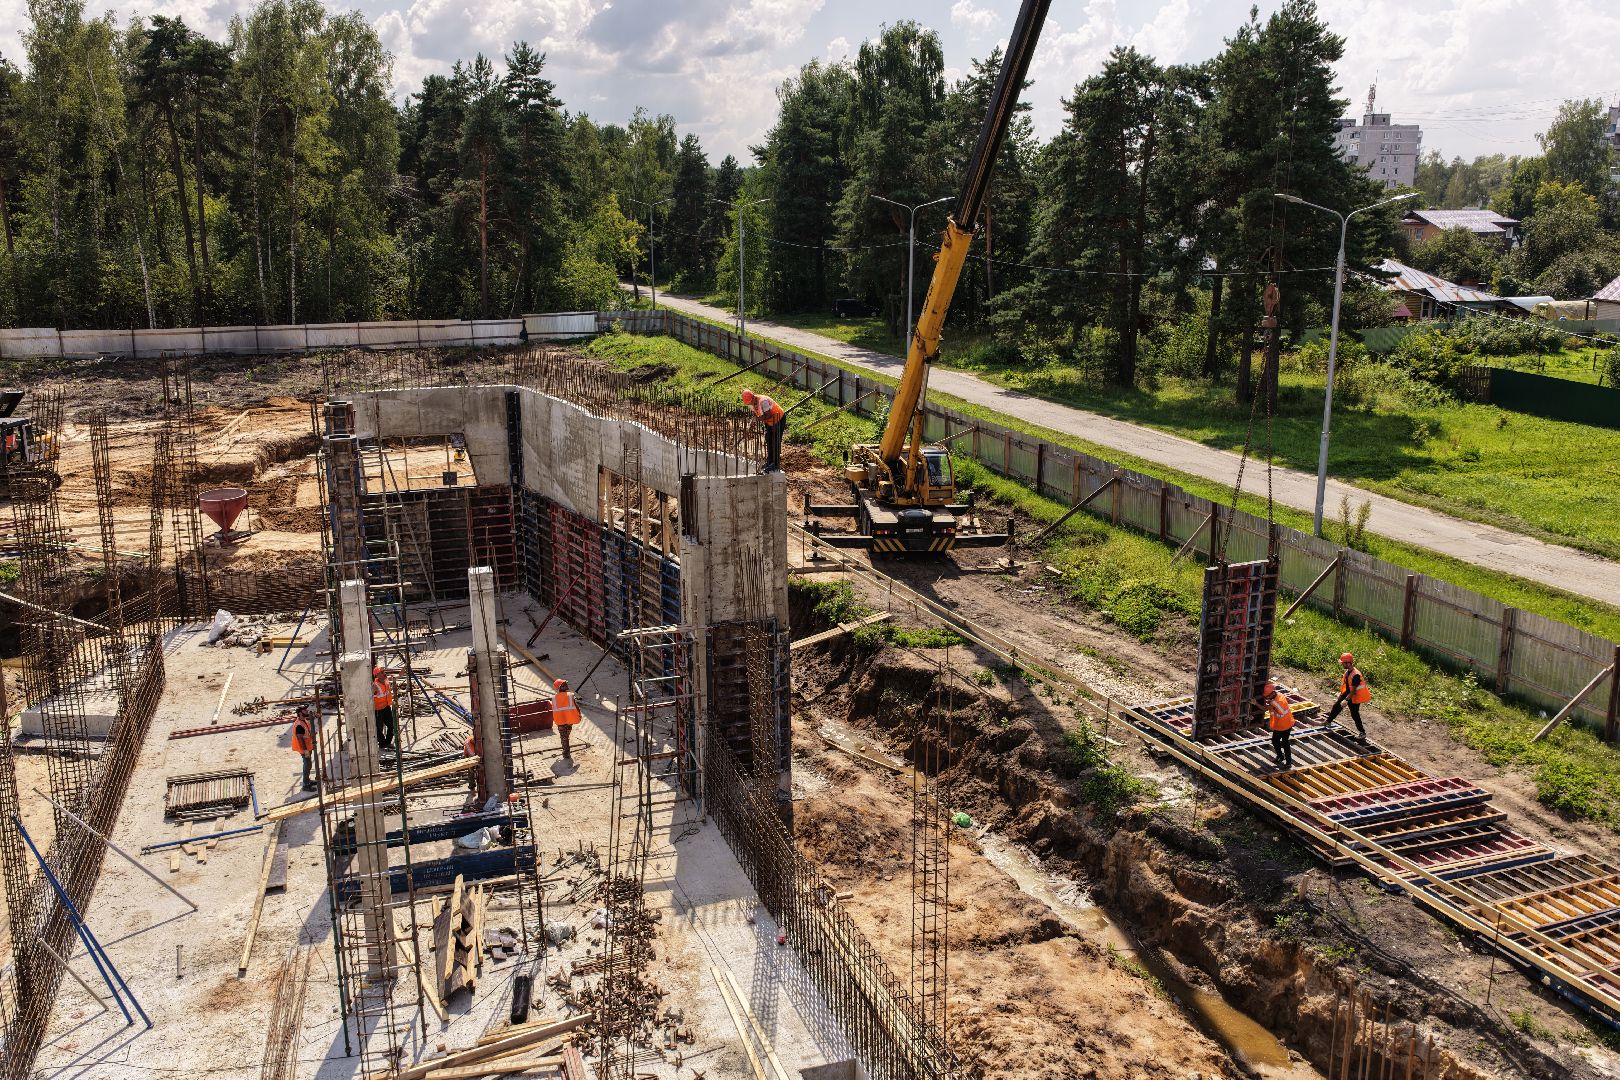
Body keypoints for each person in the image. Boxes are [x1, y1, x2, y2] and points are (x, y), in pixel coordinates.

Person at [1325, 652, 1370, 741]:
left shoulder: (1356, 675)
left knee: (1354, 714)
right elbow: (1348, 686)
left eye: (1343, 663)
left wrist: (1346, 700)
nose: (1342, 664)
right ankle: (1328, 722)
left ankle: (1362, 732)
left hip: (1354, 696)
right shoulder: (1348, 672)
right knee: (1337, 706)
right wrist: (1342, 696)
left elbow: (1353, 690)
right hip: (1347, 693)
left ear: (1348, 663)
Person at [741, 389, 786, 474]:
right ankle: (770, 462)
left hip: (778, 419)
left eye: (750, 402)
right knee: (769, 440)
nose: (750, 404)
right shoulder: (752, 403)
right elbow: (756, 414)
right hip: (769, 422)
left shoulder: (763, 401)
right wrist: (752, 423)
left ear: (753, 397)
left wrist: (758, 419)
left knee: (775, 442)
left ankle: (775, 464)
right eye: (748, 403)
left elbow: (768, 414)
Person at [1259, 681, 1295, 771]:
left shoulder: (1275, 703)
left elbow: (1264, 708)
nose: (1266, 698)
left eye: (1267, 696)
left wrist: (1255, 703)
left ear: (1271, 694)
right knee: (1276, 741)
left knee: (1284, 743)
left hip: (1283, 726)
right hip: (1287, 722)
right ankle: (1281, 757)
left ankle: (1288, 762)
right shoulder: (1279, 695)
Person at [551, 677, 581, 761]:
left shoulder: (554, 698)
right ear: (561, 687)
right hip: (569, 719)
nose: (567, 685)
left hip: (560, 720)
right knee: (566, 736)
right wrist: (579, 715)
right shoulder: (570, 695)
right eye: (564, 684)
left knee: (564, 736)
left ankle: (566, 752)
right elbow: (576, 707)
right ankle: (566, 753)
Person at [291, 705, 317, 792]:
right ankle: (306, 785)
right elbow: (300, 739)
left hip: (308, 746)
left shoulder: (304, 721)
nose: (307, 711)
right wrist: (305, 750)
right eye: (304, 710)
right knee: (307, 765)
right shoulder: (299, 725)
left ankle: (307, 780)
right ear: (300, 713)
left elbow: (307, 732)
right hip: (304, 748)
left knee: (308, 764)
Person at [372, 665, 397, 750]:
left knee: (392, 725)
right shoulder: (374, 686)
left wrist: (406, 666)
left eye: (383, 671)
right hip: (378, 711)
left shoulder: (386, 680)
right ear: (377, 675)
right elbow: (369, 696)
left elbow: (400, 675)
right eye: (382, 672)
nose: (384, 673)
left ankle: (388, 742)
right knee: (378, 729)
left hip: (386, 707)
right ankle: (382, 744)